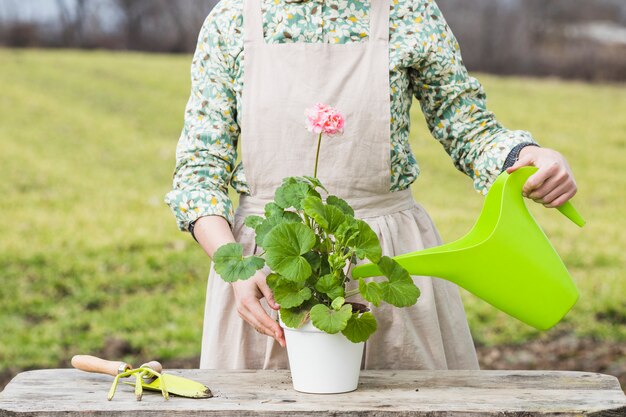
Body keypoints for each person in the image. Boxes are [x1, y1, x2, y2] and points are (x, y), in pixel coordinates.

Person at [165, 0, 577, 370]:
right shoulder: (232, 21)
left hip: (389, 260)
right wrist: (233, 266)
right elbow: (199, 172)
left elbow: (466, 125)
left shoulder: (409, 12)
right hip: (268, 274)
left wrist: (523, 156)